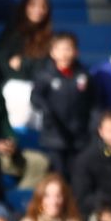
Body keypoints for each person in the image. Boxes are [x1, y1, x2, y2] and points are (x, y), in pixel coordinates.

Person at [30, 32, 99, 177]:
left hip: (79, 136)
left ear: (76, 51)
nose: (65, 53)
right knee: (58, 174)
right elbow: (35, 98)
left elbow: (94, 102)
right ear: (52, 52)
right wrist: (47, 111)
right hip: (55, 135)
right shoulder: (45, 75)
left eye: (69, 48)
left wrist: (93, 123)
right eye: (60, 49)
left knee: (78, 174)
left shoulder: (84, 75)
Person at [0, 0, 52, 81]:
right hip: (13, 82)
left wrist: (24, 61)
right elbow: (2, 60)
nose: (38, 10)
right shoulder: (12, 32)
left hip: (40, 83)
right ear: (24, 6)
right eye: (33, 5)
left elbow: (46, 65)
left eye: (43, 6)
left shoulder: (49, 36)